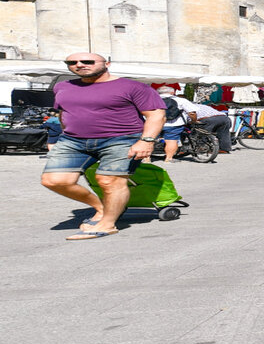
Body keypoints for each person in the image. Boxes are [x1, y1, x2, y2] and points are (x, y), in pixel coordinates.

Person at [38, 53, 167, 240]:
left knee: (109, 181)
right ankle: (100, 207)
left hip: (121, 139)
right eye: (72, 62)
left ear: (107, 63)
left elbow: (156, 115)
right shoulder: (63, 86)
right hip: (73, 140)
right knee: (54, 181)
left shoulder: (133, 86)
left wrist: (146, 141)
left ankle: (108, 223)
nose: (79, 65)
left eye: (87, 61)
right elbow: (63, 113)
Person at [152, 86, 194, 162]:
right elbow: (192, 112)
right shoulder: (181, 100)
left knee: (150, 140)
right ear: (172, 92)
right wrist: (193, 120)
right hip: (174, 124)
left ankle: (146, 159)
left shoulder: (151, 100)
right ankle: (168, 158)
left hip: (154, 123)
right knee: (171, 140)